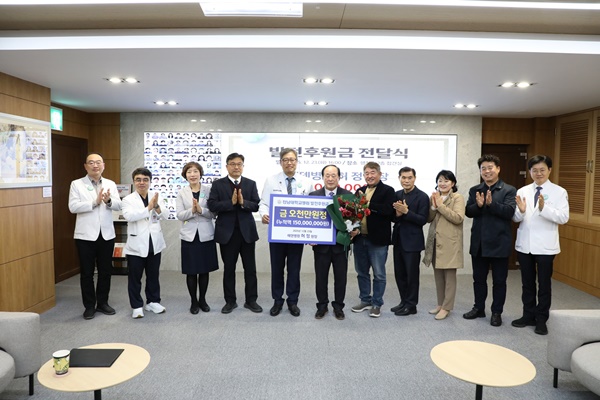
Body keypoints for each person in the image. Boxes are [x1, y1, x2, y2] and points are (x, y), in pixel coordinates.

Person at [511, 155, 569, 335]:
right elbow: (516, 217)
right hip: (525, 244)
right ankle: (528, 315)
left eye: (542, 170)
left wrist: (544, 208)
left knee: (544, 284)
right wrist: (521, 212)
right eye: (534, 170)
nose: (538, 173)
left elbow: (563, 217)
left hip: (546, 246)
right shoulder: (522, 190)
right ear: (529, 171)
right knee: (527, 283)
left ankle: (542, 319)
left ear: (549, 170)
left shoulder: (559, 192)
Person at [259, 148, 314, 317]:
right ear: (281, 162)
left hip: (297, 233)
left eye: (292, 159)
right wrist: (264, 214)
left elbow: (312, 207)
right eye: (286, 160)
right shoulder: (271, 180)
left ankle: (292, 301)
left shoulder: (306, 182)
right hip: (277, 233)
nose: (289, 162)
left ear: (296, 162)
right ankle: (277, 300)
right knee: (277, 268)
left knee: (294, 268)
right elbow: (264, 203)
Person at [463, 154, 516, 327]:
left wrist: (491, 205)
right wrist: (478, 205)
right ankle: (478, 308)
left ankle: (496, 312)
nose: (487, 171)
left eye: (490, 168)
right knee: (478, 279)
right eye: (483, 168)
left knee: (499, 281)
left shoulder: (509, 190)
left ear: (498, 169)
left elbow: (509, 212)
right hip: (479, 243)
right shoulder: (475, 190)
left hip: (499, 243)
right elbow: (468, 212)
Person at [207, 153, 262, 314]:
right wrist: (230, 203)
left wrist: (243, 202)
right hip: (227, 234)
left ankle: (251, 300)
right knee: (229, 269)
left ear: (243, 166)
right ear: (227, 166)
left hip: (247, 233)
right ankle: (230, 301)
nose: (236, 167)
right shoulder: (218, 184)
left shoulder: (250, 184)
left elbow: (256, 205)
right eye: (232, 164)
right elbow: (212, 205)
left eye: (239, 164)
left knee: (250, 269)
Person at [68, 153, 121, 320]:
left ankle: (103, 303)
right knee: (87, 273)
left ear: (103, 165)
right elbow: (73, 207)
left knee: (106, 271)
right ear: (86, 166)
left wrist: (109, 201)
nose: (95, 165)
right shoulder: (77, 184)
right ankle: (89, 306)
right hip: (85, 236)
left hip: (106, 234)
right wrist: (94, 202)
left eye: (98, 162)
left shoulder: (110, 184)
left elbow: (119, 205)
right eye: (91, 163)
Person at [351, 162, 396, 318]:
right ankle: (365, 300)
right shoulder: (360, 191)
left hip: (378, 240)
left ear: (379, 174)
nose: (369, 176)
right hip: (359, 239)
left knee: (379, 274)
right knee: (361, 272)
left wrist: (368, 204)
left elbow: (388, 211)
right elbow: (353, 213)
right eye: (367, 173)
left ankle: (377, 303)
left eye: (372, 173)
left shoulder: (388, 190)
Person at [122, 167, 167, 319]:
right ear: (134, 181)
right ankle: (136, 306)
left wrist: (157, 206)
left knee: (153, 275)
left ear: (150, 181)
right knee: (135, 277)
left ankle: (153, 301)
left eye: (145, 180)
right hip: (136, 244)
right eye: (138, 180)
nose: (142, 183)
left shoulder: (156, 196)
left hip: (154, 242)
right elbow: (129, 216)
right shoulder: (128, 199)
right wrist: (148, 208)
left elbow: (165, 215)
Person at [308, 165, 352, 320]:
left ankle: (338, 307)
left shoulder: (348, 196)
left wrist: (354, 229)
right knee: (321, 278)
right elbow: (309, 220)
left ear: (339, 177)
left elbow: (354, 219)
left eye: (334, 175)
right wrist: (310, 237)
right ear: (322, 177)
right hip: (321, 246)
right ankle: (322, 306)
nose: (330, 178)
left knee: (341, 278)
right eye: (327, 175)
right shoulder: (313, 196)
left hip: (341, 245)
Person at [176, 162, 219, 315]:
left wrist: (201, 210)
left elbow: (214, 213)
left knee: (204, 271)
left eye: (195, 171)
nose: (192, 174)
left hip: (206, 235)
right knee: (191, 271)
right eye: (189, 172)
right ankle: (193, 301)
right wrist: (192, 211)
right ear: (185, 175)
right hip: (189, 236)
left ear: (200, 173)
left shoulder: (209, 190)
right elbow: (180, 215)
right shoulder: (181, 193)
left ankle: (203, 300)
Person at [422, 170, 465, 320]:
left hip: (450, 242)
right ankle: (440, 304)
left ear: (452, 183)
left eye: (446, 181)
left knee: (449, 278)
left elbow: (458, 218)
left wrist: (440, 206)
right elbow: (428, 218)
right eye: (440, 180)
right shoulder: (434, 197)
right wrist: (433, 207)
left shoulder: (457, 198)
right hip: (435, 241)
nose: (442, 183)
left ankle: (447, 307)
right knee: (438, 276)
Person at [391, 167, 429, 316]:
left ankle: (411, 305)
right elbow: (392, 218)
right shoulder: (397, 194)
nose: (406, 181)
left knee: (411, 275)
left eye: (409, 178)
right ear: (399, 178)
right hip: (398, 240)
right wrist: (397, 214)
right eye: (403, 178)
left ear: (415, 178)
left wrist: (406, 212)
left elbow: (422, 220)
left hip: (412, 242)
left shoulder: (422, 196)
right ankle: (403, 301)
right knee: (399, 274)